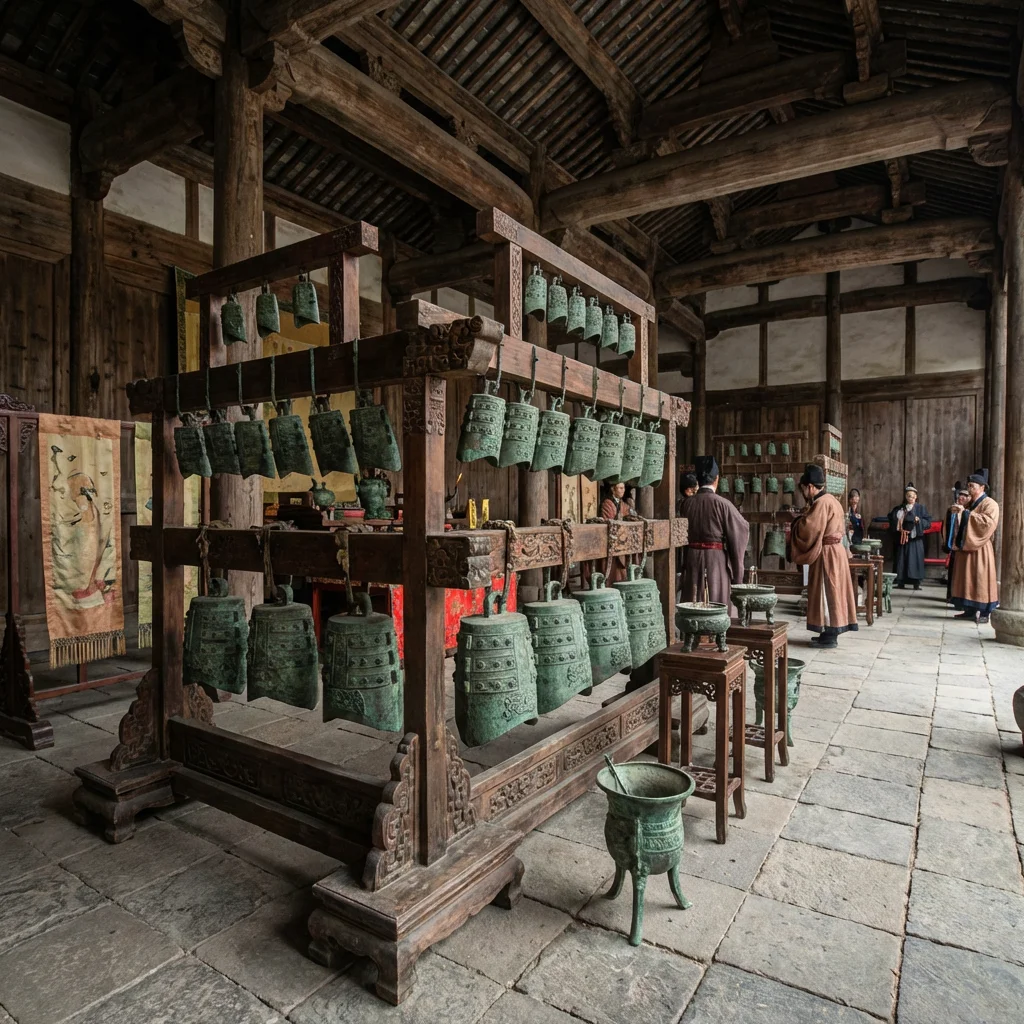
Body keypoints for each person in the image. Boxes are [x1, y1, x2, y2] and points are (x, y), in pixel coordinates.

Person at [787, 464, 859, 648]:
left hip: (827, 554)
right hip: (836, 552)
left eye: (804, 488)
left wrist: (796, 522)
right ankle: (828, 633)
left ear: (810, 486)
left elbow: (809, 529)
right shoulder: (832, 500)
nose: (804, 493)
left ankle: (830, 636)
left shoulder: (821, 503)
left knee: (828, 592)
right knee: (832, 591)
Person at [680, 455, 749, 611]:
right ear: (717, 479)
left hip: (692, 558)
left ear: (698, 480)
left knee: (693, 602)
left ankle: (692, 634)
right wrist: (738, 574)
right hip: (715, 560)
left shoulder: (686, 504)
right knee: (716, 603)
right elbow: (740, 531)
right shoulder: (723, 504)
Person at [950, 469, 1000, 624]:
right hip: (967, 546)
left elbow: (988, 523)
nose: (970, 489)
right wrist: (955, 513)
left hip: (981, 548)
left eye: (972, 486)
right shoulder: (970, 503)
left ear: (982, 488)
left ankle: (985, 611)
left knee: (981, 578)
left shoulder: (990, 503)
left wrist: (965, 513)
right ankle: (969, 609)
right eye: (969, 486)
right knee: (967, 578)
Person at [887, 484, 931, 590]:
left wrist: (918, 520)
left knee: (915, 561)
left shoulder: (921, 508)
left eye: (912, 496)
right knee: (901, 560)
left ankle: (916, 583)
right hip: (903, 538)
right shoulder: (900, 508)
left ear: (916, 497)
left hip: (916, 539)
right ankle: (900, 582)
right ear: (906, 497)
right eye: (908, 496)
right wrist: (899, 517)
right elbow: (891, 518)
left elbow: (928, 522)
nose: (910, 498)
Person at [942, 486, 970, 602]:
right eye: (960, 495)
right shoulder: (951, 509)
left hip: (964, 545)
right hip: (954, 543)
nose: (962, 498)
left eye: (965, 496)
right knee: (952, 570)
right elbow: (945, 527)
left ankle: (961, 597)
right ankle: (950, 595)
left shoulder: (969, 510)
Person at [598, 481, 629, 583]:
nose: (622, 490)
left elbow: (627, 514)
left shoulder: (623, 504)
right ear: (613, 489)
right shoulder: (607, 503)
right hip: (610, 540)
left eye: (623, 488)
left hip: (622, 539)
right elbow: (609, 521)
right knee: (611, 571)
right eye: (620, 488)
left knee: (621, 573)